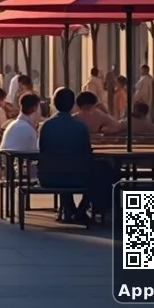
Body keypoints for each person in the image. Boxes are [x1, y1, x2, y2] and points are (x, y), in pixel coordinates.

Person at [38, 86, 103, 226]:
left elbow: (42, 150)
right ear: (73, 104)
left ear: (54, 103)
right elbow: (87, 152)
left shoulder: (46, 126)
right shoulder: (81, 127)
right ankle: (81, 209)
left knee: (62, 165)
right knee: (103, 174)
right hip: (78, 177)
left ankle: (69, 209)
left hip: (49, 176)